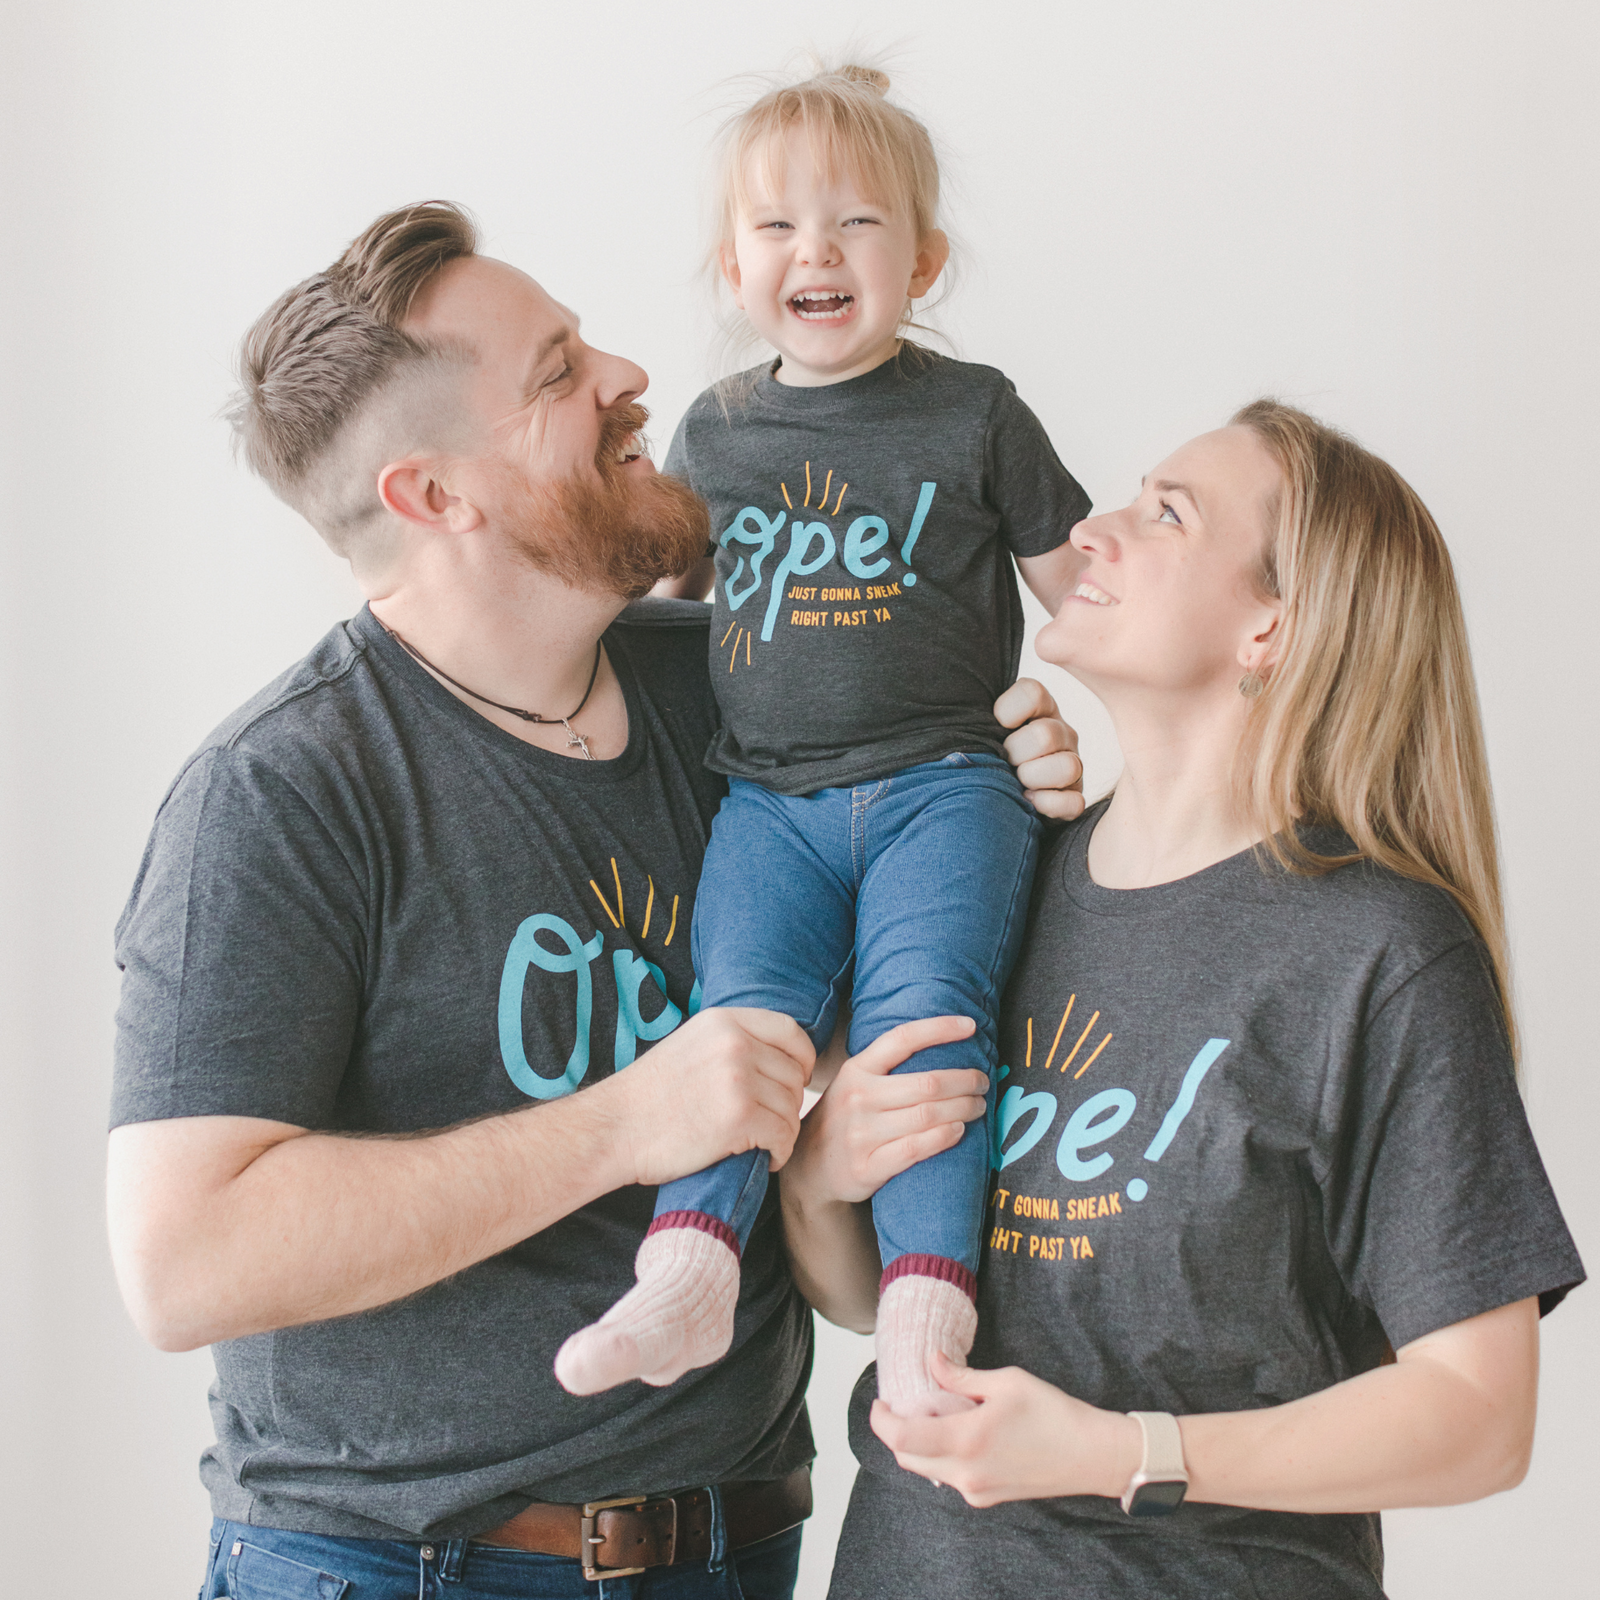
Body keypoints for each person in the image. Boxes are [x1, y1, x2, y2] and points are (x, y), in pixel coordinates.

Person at [105, 200, 1082, 1599]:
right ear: (437, 496)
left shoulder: (733, 689)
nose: (630, 376)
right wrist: (628, 1122)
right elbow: (184, 1259)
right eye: (559, 372)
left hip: (740, 1546)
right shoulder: (283, 795)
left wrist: (1007, 771)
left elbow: (908, 961)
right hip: (402, 1568)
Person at [782, 402, 1586, 1597]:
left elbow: (1479, 1417)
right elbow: (872, 1301)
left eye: (1166, 514)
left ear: (1272, 624)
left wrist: (1121, 1452)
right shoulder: (996, 881)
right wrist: (816, 1179)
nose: (1090, 529)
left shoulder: (1379, 952)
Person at [557, 64, 1091, 1419]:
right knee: (739, 1018)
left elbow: (1087, 597)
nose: (818, 253)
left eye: (857, 224)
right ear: (732, 264)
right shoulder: (716, 431)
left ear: (924, 262)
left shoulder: (976, 413)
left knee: (927, 1026)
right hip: (768, 807)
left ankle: (926, 1307)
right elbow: (653, 616)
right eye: (779, 226)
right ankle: (690, 1267)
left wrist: (1085, 732)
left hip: (945, 791)